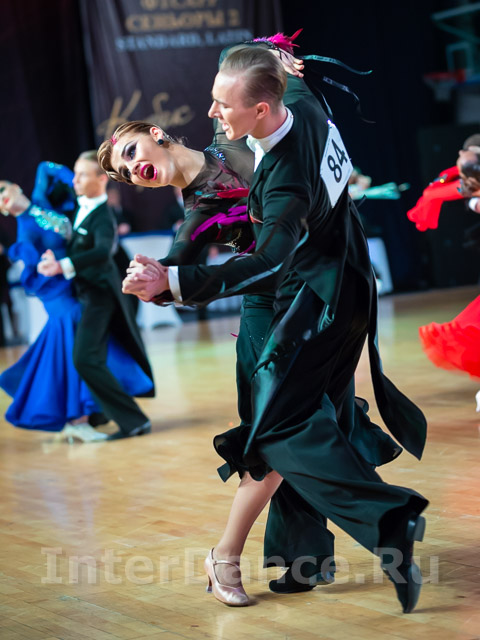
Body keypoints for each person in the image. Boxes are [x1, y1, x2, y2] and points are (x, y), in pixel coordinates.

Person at [118, 45, 429, 613]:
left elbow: (267, 79)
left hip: (317, 292)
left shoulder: (241, 133)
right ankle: (239, 555)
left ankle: (299, 556)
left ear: (157, 134)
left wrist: (275, 56)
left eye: (132, 152)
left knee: (311, 422)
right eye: (123, 172)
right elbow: (183, 267)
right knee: (282, 431)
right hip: (272, 309)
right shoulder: (198, 209)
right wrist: (160, 281)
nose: (132, 170)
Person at [0, 180, 153, 439]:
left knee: (77, 350)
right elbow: (34, 269)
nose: (1, 197)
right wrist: (44, 264)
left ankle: (86, 416)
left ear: (16, 186)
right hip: (58, 292)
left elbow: (48, 168)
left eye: (2, 189)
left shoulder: (41, 202)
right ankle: (78, 419)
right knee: (77, 350)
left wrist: (79, 179)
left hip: (73, 286)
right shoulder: (24, 228)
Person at [37, 151, 154, 440]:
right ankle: (103, 415)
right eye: (75, 174)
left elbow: (102, 251)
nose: (75, 180)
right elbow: (44, 182)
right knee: (93, 358)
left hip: (101, 297)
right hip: (86, 296)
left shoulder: (104, 217)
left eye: (82, 175)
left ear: (102, 179)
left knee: (85, 358)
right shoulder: (78, 204)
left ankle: (133, 421)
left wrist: (62, 265)